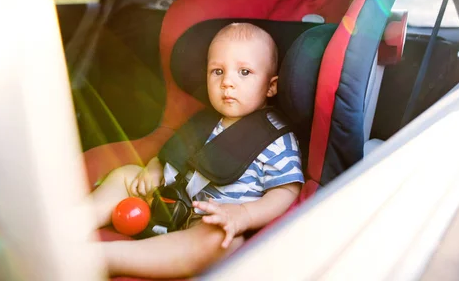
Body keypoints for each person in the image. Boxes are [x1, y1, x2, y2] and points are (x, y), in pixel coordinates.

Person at [91, 23, 304, 278]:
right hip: (166, 201)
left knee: (224, 240)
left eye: (244, 72)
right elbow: (172, 155)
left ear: (271, 86)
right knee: (127, 173)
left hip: (208, 220)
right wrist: (153, 169)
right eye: (217, 71)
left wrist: (243, 215)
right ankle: (70, 226)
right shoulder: (203, 120)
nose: (227, 82)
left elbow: (287, 191)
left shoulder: (277, 140)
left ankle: (105, 258)